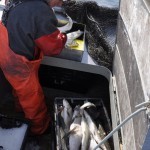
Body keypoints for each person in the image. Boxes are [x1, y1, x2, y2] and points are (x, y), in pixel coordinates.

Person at [0, 0, 69, 135]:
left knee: (20, 88)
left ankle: (20, 108)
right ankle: (39, 128)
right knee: (33, 96)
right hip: (16, 61)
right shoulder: (42, 11)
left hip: (5, 48)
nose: (62, 3)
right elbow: (53, 48)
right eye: (61, 0)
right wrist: (63, 38)